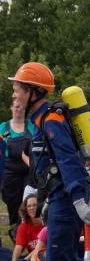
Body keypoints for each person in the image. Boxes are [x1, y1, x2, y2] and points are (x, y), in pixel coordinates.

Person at [9, 62, 90, 260]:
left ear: (33, 92)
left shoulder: (51, 120)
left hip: (67, 199)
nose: (14, 96)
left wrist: (78, 200)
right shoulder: (40, 120)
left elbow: (68, 161)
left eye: (17, 90)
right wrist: (47, 198)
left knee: (59, 256)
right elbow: (48, 165)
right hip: (58, 197)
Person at [0, 101, 35, 242]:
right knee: (13, 202)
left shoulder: (32, 125)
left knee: (30, 200)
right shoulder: (3, 127)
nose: (19, 109)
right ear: (11, 108)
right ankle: (16, 232)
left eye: (21, 106)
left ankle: (31, 232)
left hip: (29, 168)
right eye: (16, 106)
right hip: (9, 170)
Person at [12, 194, 44, 261]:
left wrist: (26, 259)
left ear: (40, 206)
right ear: (26, 209)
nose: (32, 208)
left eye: (35, 205)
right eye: (29, 206)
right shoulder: (23, 227)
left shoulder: (47, 224)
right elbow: (18, 247)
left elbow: (43, 247)